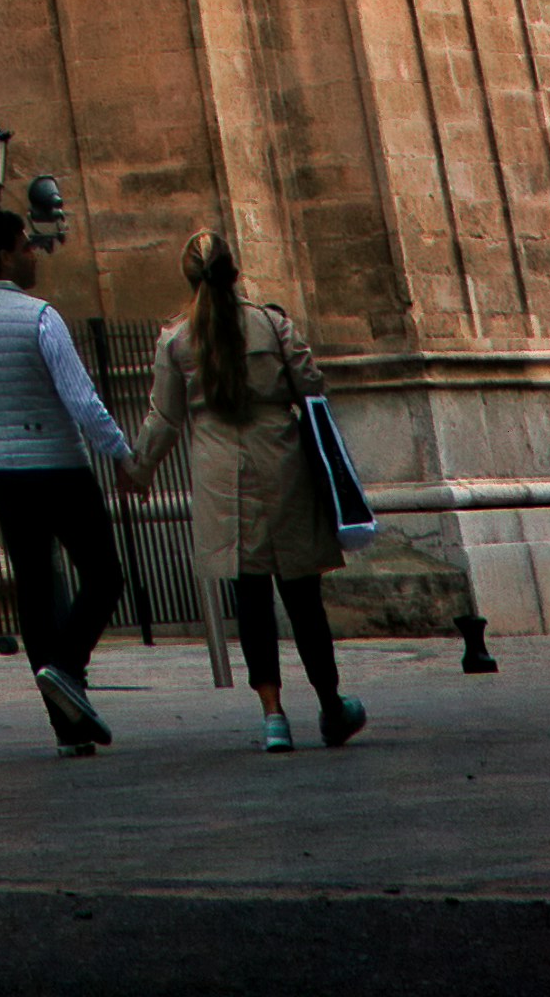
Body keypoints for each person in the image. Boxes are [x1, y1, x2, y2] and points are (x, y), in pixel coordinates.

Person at [131, 225, 368, 750]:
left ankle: (273, 715)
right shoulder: (270, 324)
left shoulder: (176, 339)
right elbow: (311, 384)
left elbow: (164, 418)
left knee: (251, 596)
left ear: (189, 279)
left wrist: (139, 469)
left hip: (219, 471)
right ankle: (330, 704)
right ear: (236, 272)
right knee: (303, 595)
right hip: (279, 460)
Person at [0, 206, 136, 754]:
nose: (35, 254)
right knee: (103, 575)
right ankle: (68, 669)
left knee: (34, 589)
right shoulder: (41, 317)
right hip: (58, 466)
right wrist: (120, 454)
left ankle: (65, 728)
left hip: (5, 473)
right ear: (5, 254)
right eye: (27, 246)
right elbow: (81, 400)